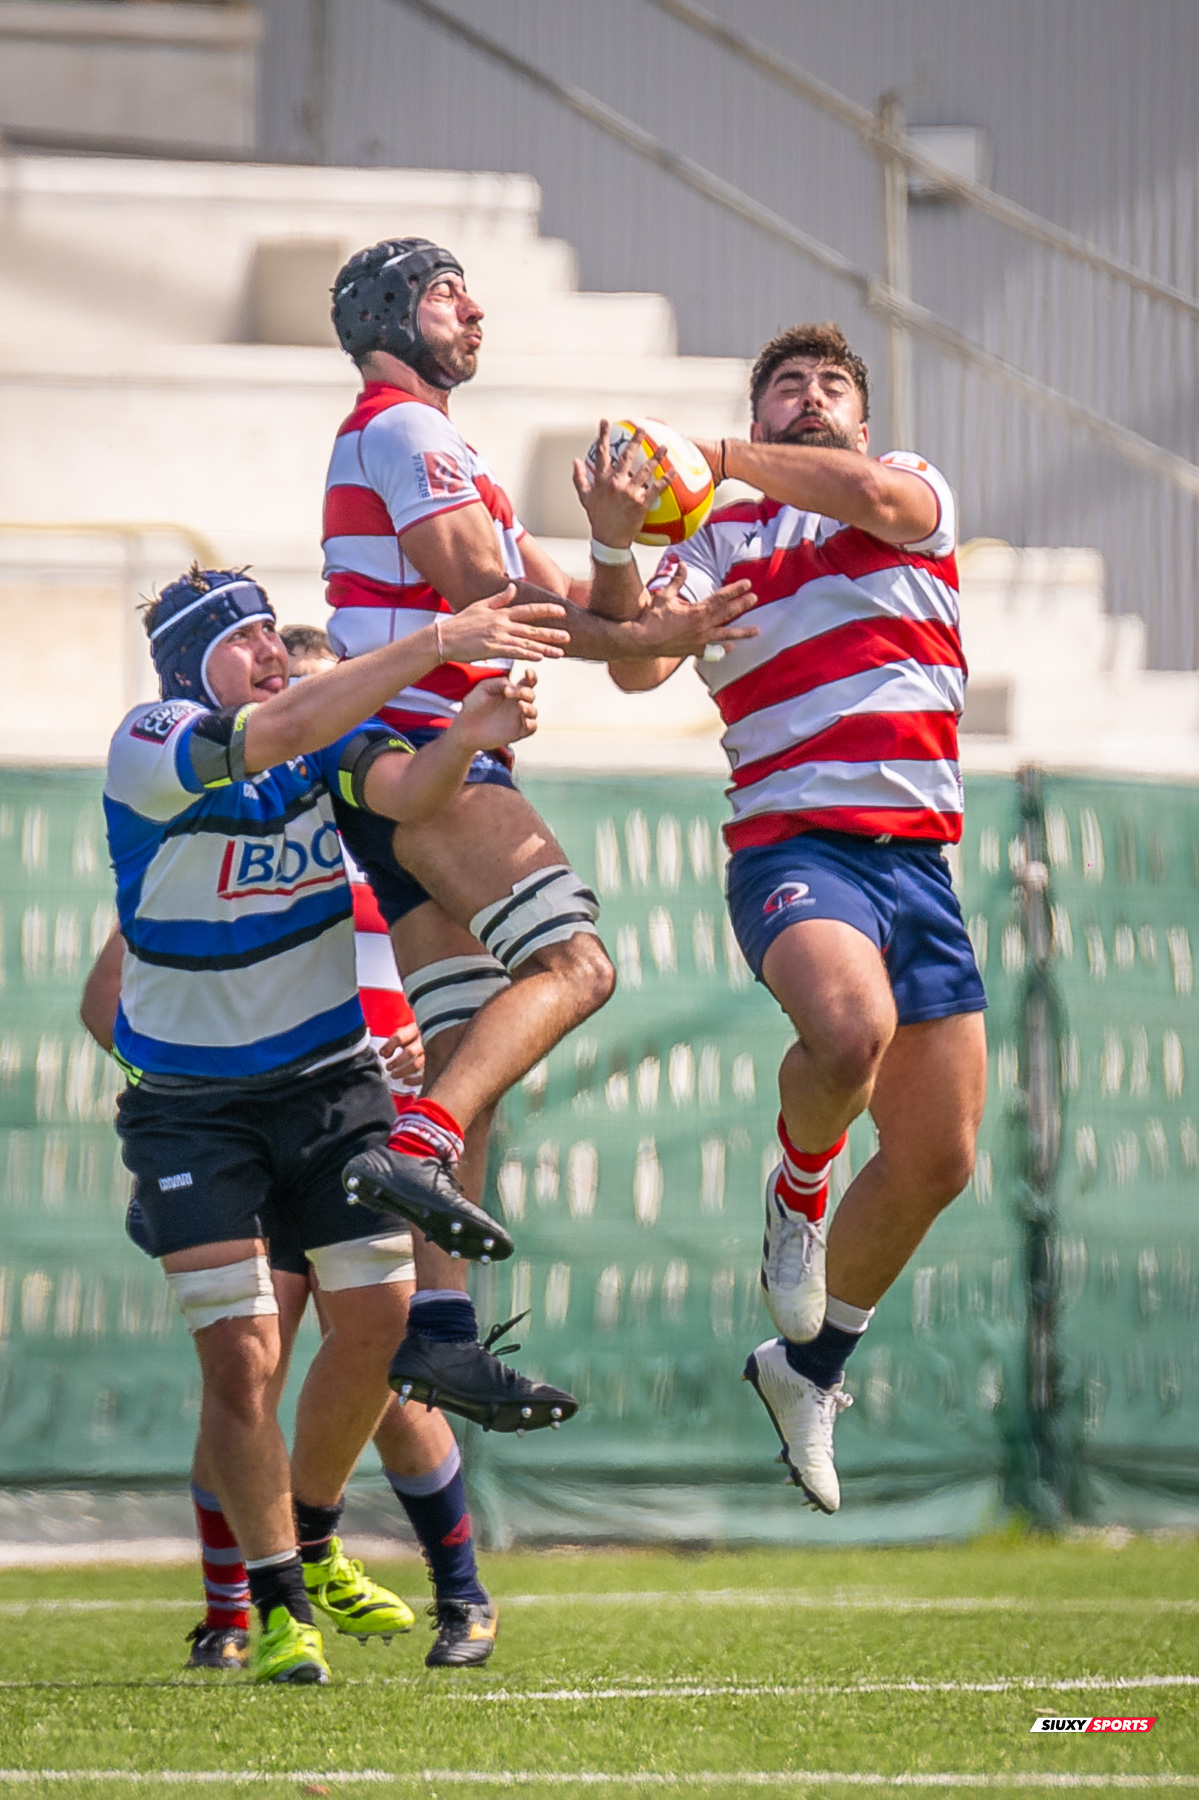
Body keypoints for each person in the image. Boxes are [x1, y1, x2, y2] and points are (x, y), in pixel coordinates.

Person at [319, 237, 757, 1436]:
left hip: (405, 759)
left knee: (470, 1041)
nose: (472, 309)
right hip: (425, 744)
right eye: (445, 291)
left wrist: (621, 549)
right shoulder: (403, 432)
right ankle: (411, 1138)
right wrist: (641, 631)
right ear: (387, 315)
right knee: (574, 967)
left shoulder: (444, 449)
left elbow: (616, 646)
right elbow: (495, 604)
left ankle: (441, 1330)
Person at [102, 562, 564, 1681]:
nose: (267, 647)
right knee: (243, 1360)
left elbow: (402, 792)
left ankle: (310, 1545)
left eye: (274, 630)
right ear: (186, 669)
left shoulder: (320, 739)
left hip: (326, 1088)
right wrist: (437, 636)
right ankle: (268, 1610)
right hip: (192, 1112)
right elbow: (296, 714)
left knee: (377, 1332)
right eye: (241, 638)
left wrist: (466, 732)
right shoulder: (152, 737)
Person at [576, 322, 987, 1515]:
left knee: (937, 1158)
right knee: (847, 1033)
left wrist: (709, 452)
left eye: (831, 385)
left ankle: (805, 1366)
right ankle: (797, 1190)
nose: (811, 398)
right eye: (785, 387)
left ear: (860, 417)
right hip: (793, 845)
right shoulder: (717, 533)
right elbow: (635, 661)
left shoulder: (906, 486)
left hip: (919, 861)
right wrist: (615, 542)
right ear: (761, 414)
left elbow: (872, 498)